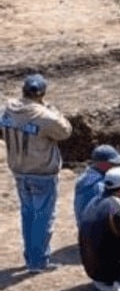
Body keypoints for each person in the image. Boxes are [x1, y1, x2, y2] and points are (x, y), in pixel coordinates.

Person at [2, 73, 73, 273]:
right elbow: (66, 131)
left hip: (19, 170)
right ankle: (38, 261)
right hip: (41, 173)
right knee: (42, 217)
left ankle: (31, 257)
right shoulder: (44, 116)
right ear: (42, 94)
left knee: (28, 215)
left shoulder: (8, 109)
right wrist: (50, 109)